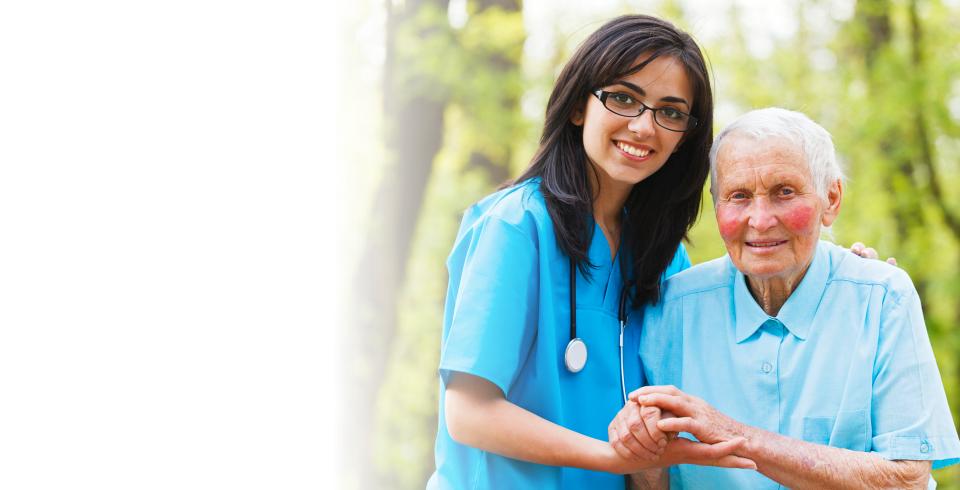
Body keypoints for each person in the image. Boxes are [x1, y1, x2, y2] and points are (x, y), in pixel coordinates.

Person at [609, 108, 960, 489]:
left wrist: (729, 433)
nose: (759, 220)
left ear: (831, 198)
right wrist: (640, 445)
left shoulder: (882, 299)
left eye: (784, 192)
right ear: (717, 206)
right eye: (739, 196)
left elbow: (905, 479)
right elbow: (650, 478)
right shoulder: (669, 309)